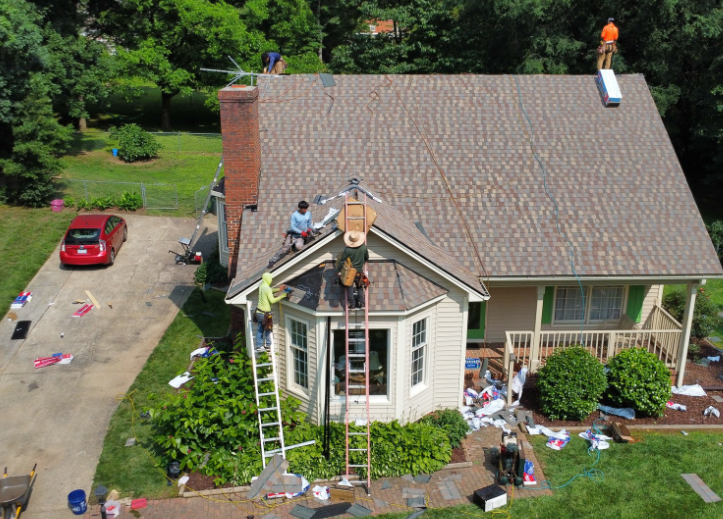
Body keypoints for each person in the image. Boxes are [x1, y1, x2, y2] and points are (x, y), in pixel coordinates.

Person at [268, 201, 315, 268]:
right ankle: (272, 261)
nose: (306, 210)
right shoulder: (294, 215)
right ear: (300, 208)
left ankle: (298, 244)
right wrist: (301, 232)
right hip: (293, 235)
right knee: (284, 249)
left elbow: (309, 224)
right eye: (304, 209)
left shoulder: (308, 214)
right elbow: (293, 227)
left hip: (300, 236)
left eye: (306, 209)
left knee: (299, 247)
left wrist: (313, 231)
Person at [336, 230, 369, 310]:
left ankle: (352, 304)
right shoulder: (364, 248)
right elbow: (366, 258)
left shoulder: (347, 250)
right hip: (359, 272)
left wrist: (340, 270)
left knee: (349, 288)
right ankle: (362, 303)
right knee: (360, 287)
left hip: (349, 272)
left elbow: (342, 261)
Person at [255, 272, 287, 351]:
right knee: (268, 329)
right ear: (267, 279)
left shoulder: (262, 286)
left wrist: (278, 289)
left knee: (260, 329)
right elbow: (272, 301)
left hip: (258, 312)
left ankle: (259, 346)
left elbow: (269, 291)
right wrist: (282, 296)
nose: (271, 280)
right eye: (271, 278)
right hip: (265, 314)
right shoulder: (267, 289)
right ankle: (268, 345)